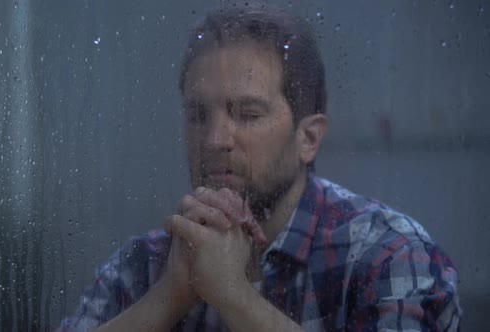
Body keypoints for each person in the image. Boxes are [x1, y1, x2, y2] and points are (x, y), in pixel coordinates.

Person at [60, 5, 462, 331]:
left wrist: (232, 295)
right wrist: (170, 296)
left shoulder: (390, 255)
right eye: (198, 114)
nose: (215, 139)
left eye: (247, 114)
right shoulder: (147, 263)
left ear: (309, 139)